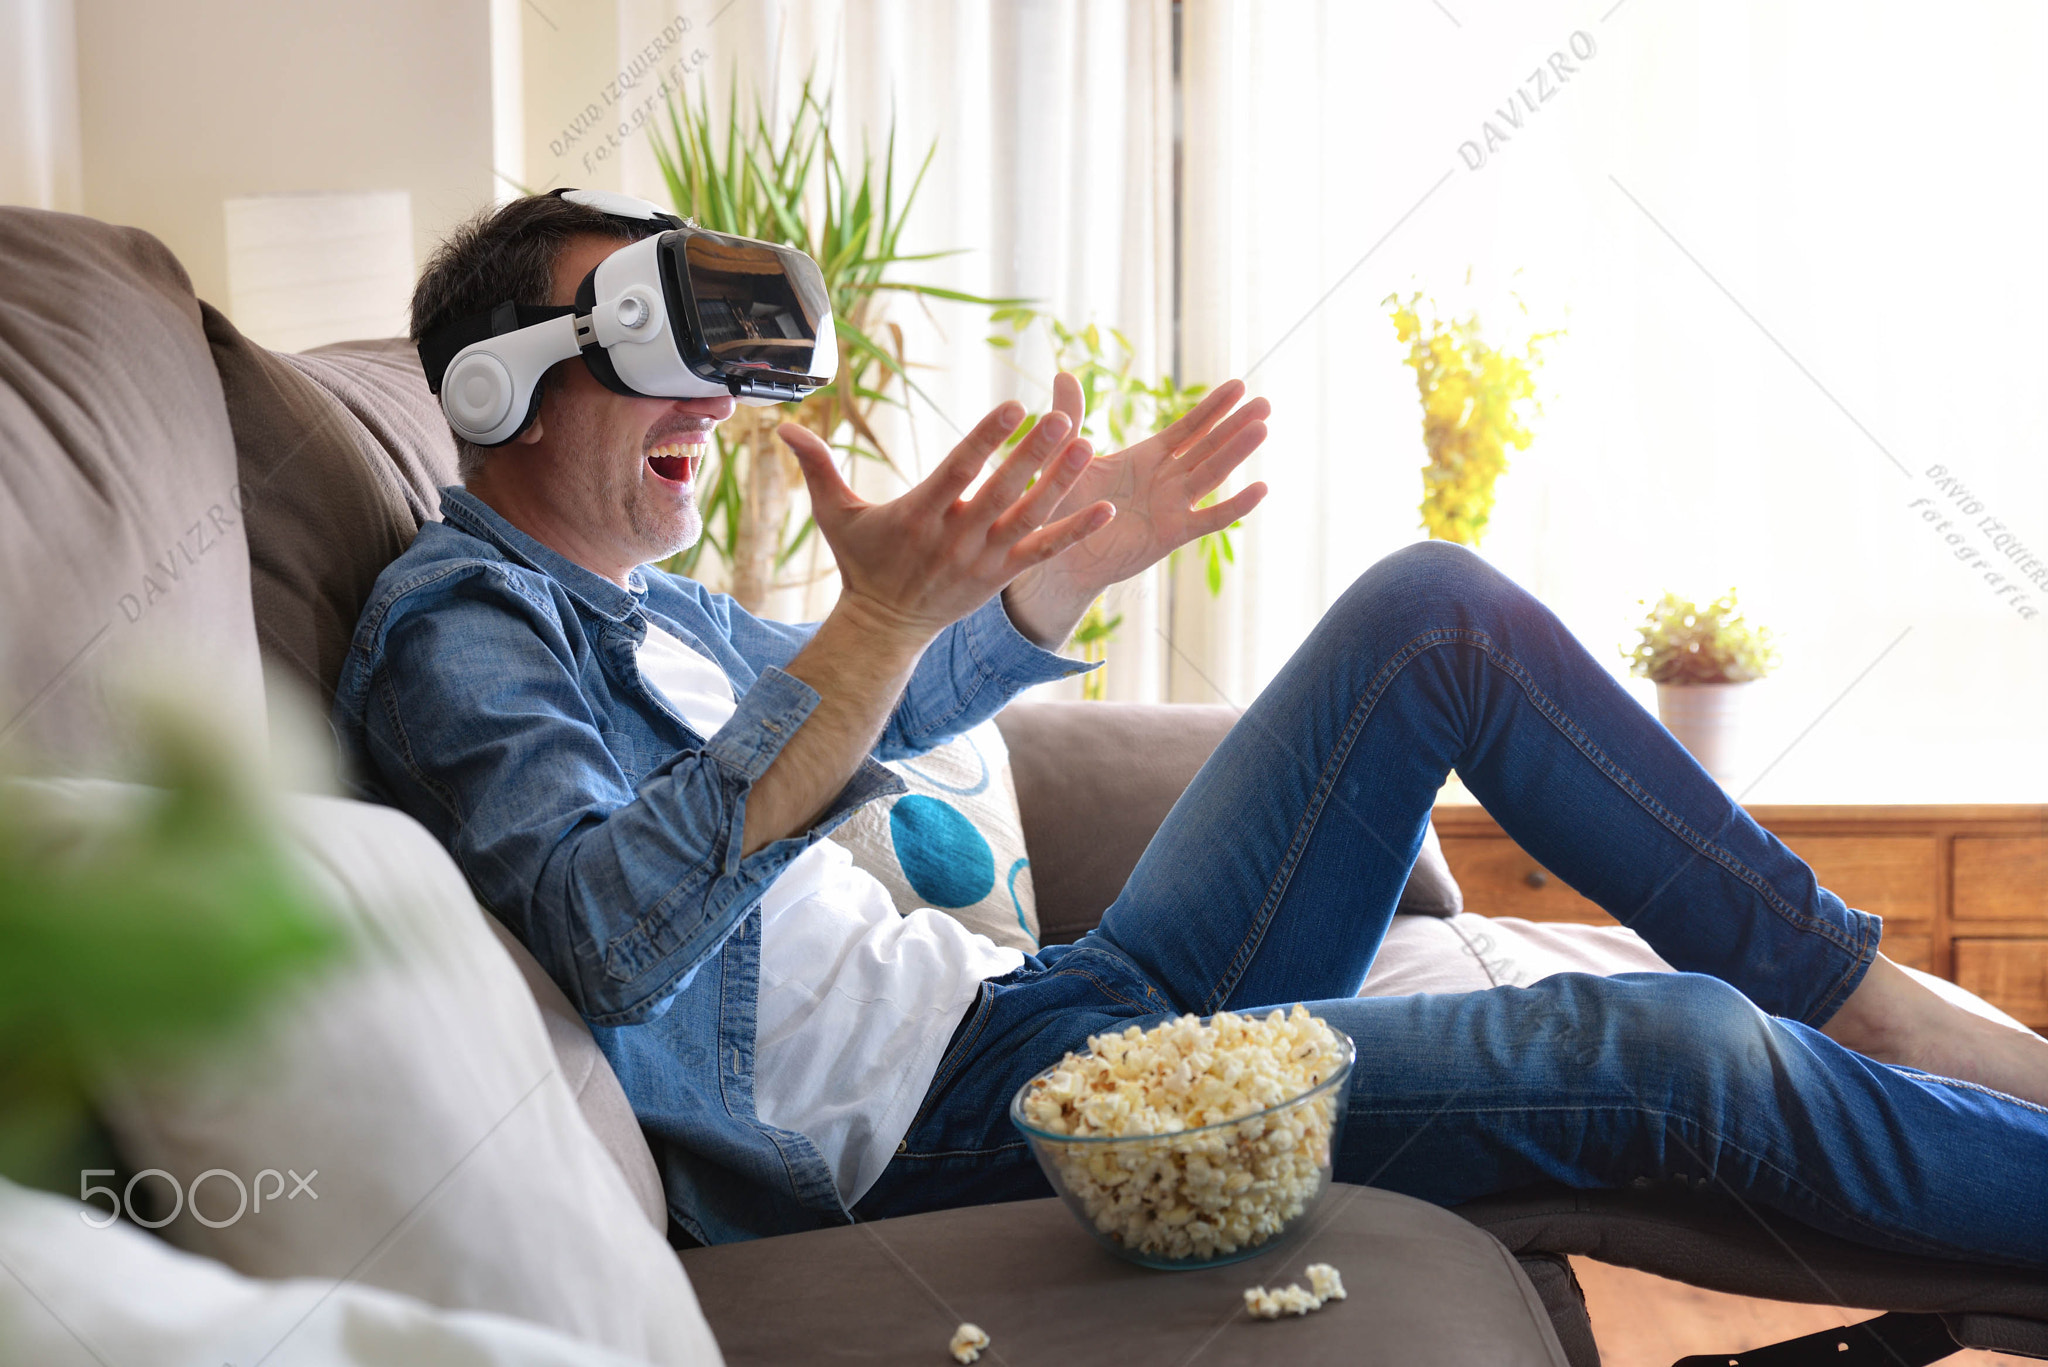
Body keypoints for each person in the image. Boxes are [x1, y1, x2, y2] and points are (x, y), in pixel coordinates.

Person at [333, 193, 2048, 1264]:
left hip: (1040, 1010)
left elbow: (861, 725)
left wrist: (1053, 580)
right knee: (1667, 1050)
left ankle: (1868, 997)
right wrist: (866, 622)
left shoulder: (664, 615)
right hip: (971, 1135)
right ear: (498, 385)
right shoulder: (460, 627)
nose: (711, 402)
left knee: (1428, 608)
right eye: (653, 349)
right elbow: (610, 935)